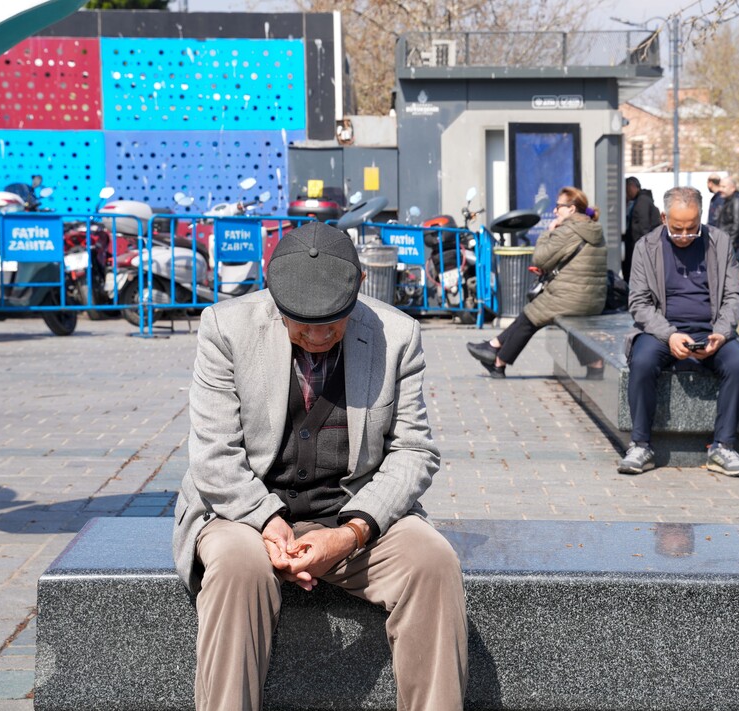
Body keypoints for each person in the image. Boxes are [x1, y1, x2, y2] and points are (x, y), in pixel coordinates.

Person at [172, 222, 468, 711]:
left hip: (354, 510)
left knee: (433, 563)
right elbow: (213, 455)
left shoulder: (397, 335)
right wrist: (268, 523)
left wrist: (351, 533)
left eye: (333, 321)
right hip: (243, 514)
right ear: (275, 302)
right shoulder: (225, 327)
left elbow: (414, 451)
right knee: (239, 570)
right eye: (301, 322)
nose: (317, 334)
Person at [617, 186, 739, 478]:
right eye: (677, 229)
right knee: (641, 362)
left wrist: (721, 332)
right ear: (664, 217)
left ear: (701, 217)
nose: (684, 236)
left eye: (691, 229)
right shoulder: (646, 246)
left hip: (711, 330)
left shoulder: (720, 242)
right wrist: (669, 335)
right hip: (662, 331)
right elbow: (638, 303)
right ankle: (640, 445)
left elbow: (733, 297)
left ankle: (723, 447)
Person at [466, 187, 607, 378]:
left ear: (572, 209)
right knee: (534, 313)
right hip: (591, 297)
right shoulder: (593, 229)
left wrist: (548, 233)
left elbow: (540, 259)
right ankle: (495, 350)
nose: (555, 211)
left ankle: (497, 359)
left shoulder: (568, 231)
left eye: (558, 206)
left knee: (531, 316)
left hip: (571, 297)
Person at [623, 176, 661, 282]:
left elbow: (643, 226)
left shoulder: (642, 201)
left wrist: (641, 248)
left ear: (632, 187)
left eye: (626, 189)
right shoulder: (638, 200)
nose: (625, 192)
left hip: (639, 245)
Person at [715, 175, 739, 262]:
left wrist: (729, 243)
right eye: (720, 186)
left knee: (731, 272)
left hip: (734, 246)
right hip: (727, 243)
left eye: (723, 187)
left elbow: (737, 225)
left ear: (733, 188)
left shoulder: (737, 201)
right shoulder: (727, 200)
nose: (720, 189)